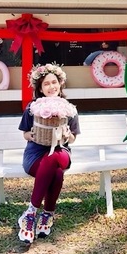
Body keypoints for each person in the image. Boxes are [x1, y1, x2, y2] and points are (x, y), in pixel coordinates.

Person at [17, 63, 80, 244]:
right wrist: (32, 135)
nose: (51, 87)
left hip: (61, 151)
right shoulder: (32, 108)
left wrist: (67, 135)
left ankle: (30, 213)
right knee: (57, 173)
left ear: (60, 84)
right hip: (35, 155)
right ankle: (47, 214)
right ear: (40, 88)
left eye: (54, 82)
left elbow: (73, 138)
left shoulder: (69, 108)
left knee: (54, 157)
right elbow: (25, 133)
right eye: (46, 84)